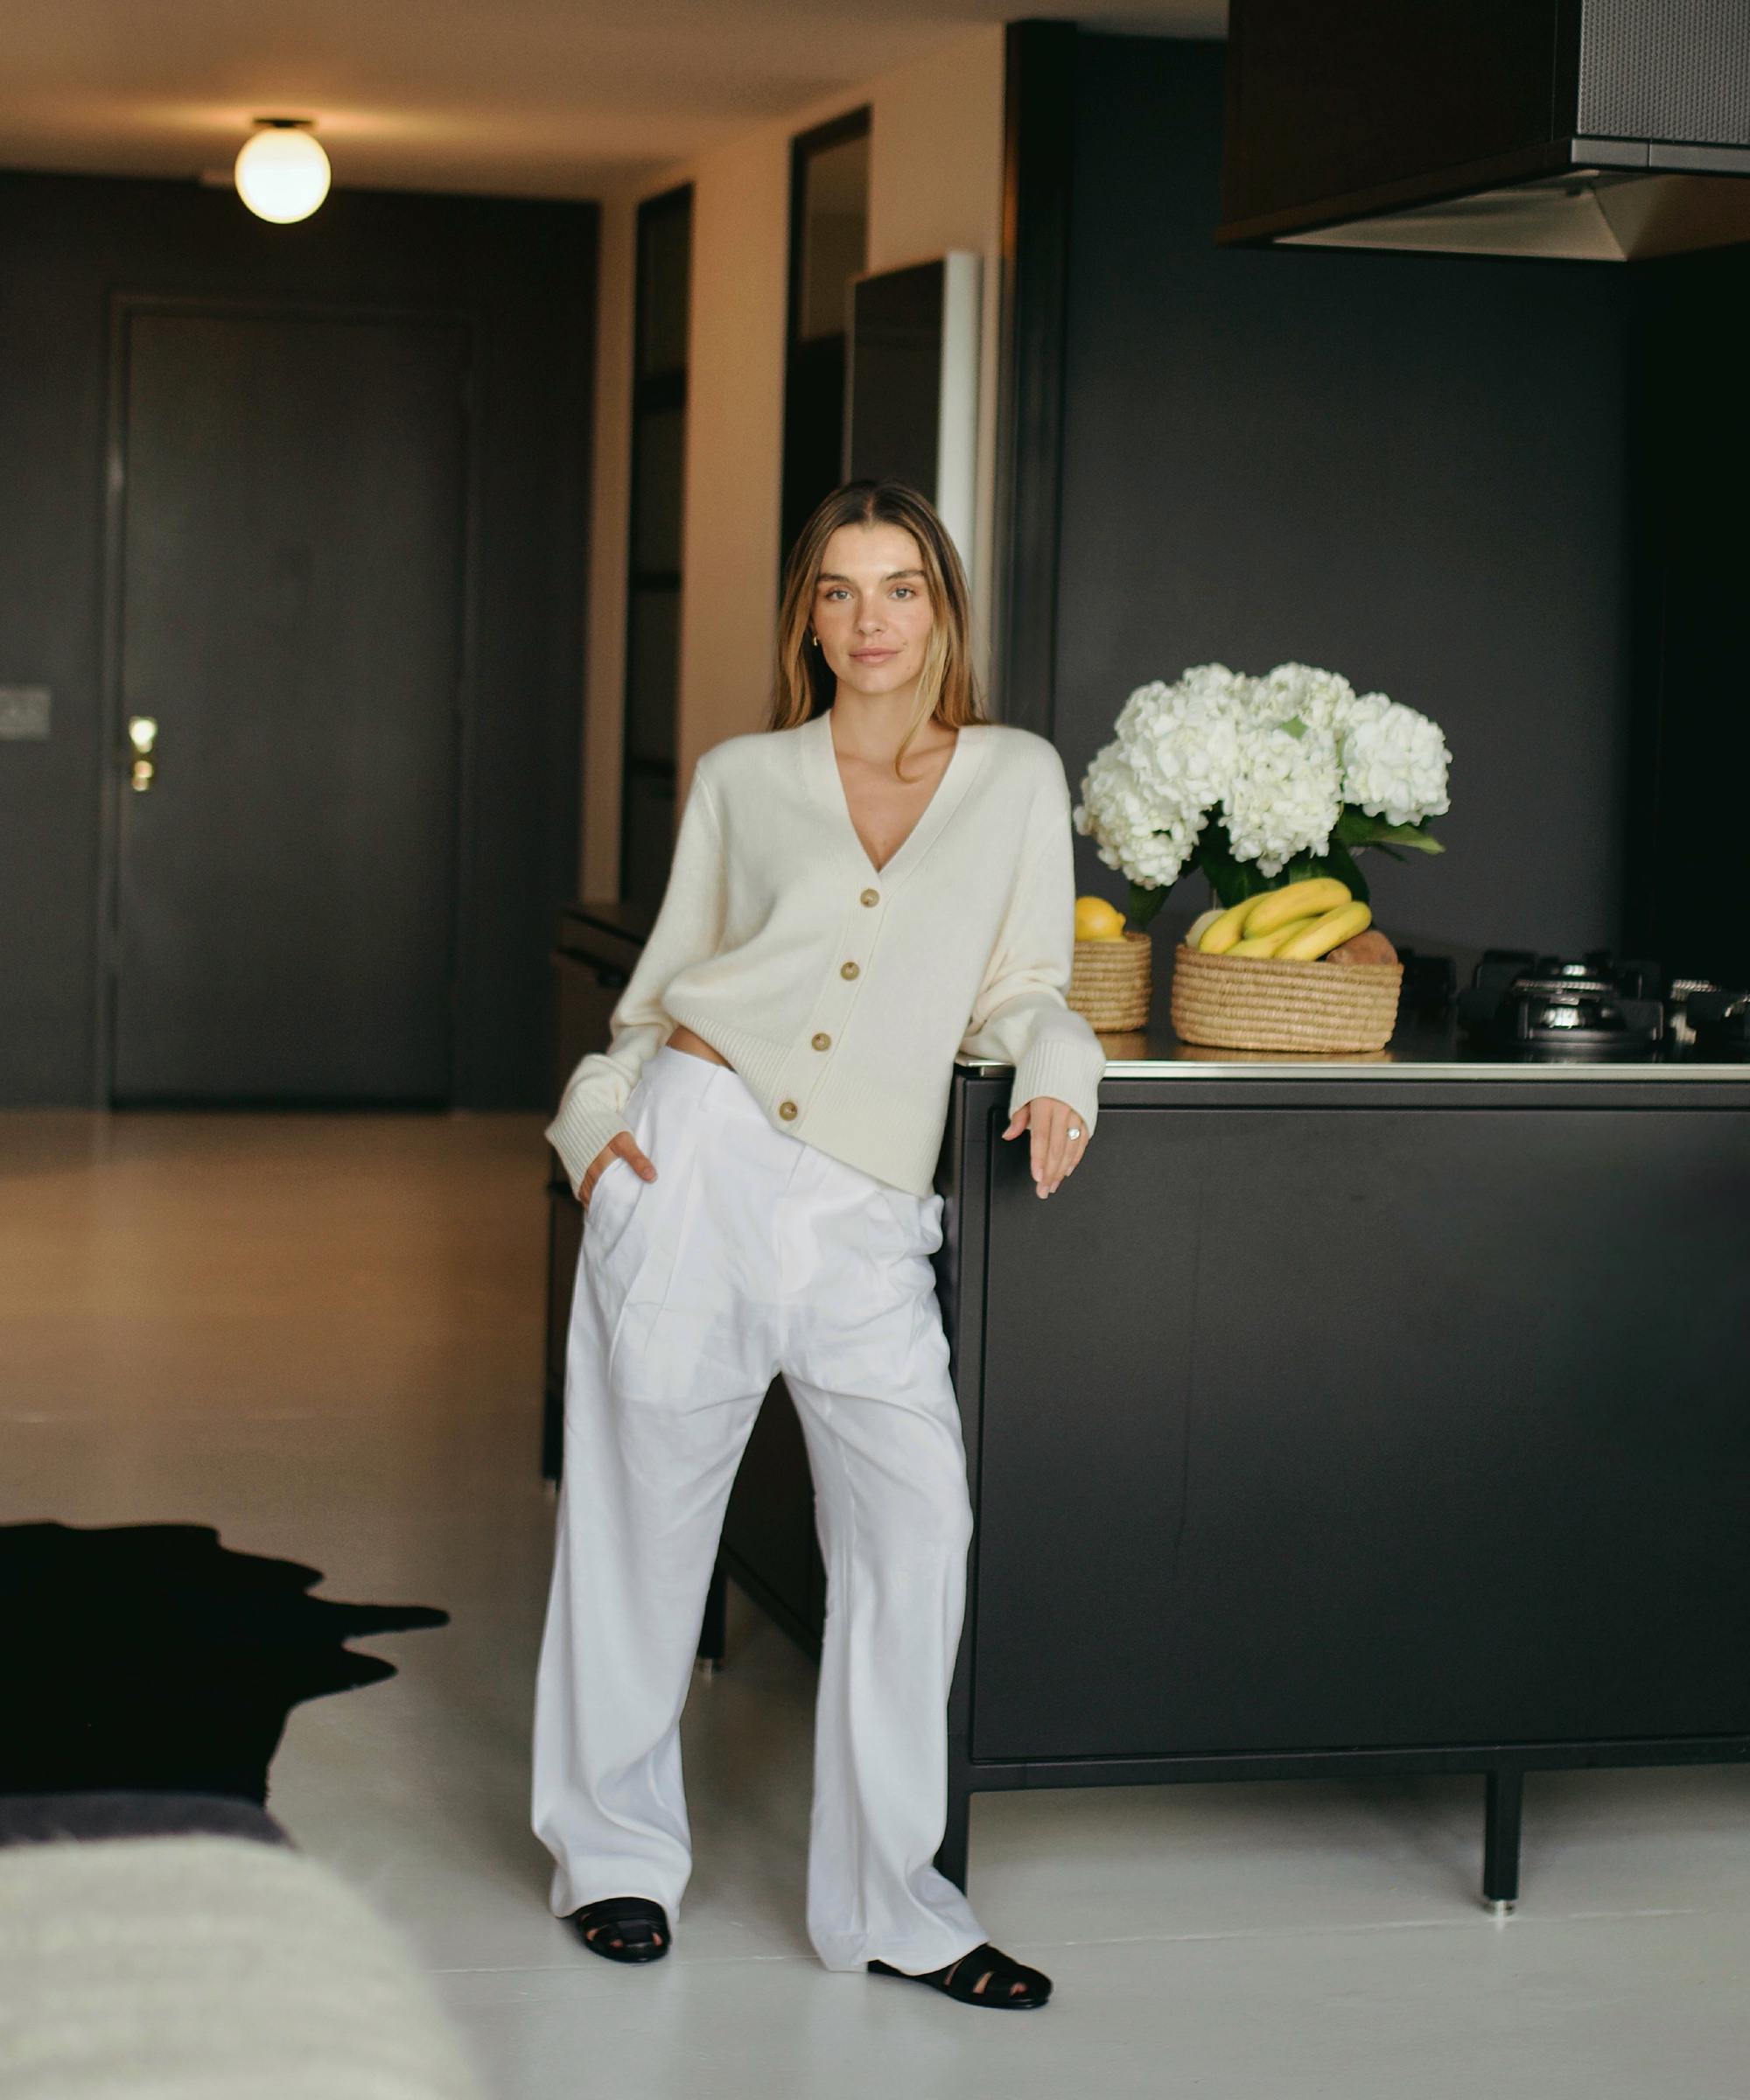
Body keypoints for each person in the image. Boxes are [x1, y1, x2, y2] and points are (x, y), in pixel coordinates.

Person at [531, 480, 1103, 2010]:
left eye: (900, 589)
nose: (871, 622)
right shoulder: (743, 779)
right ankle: (614, 1859)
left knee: (916, 1533)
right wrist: (600, 1137)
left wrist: (1063, 1061)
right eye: (840, 593)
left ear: (944, 610)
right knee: (639, 1530)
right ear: (809, 617)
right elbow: (656, 1002)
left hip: (862, 1214)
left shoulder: (1015, 778)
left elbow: (1028, 983)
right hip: (697, 1161)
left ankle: (891, 1907)